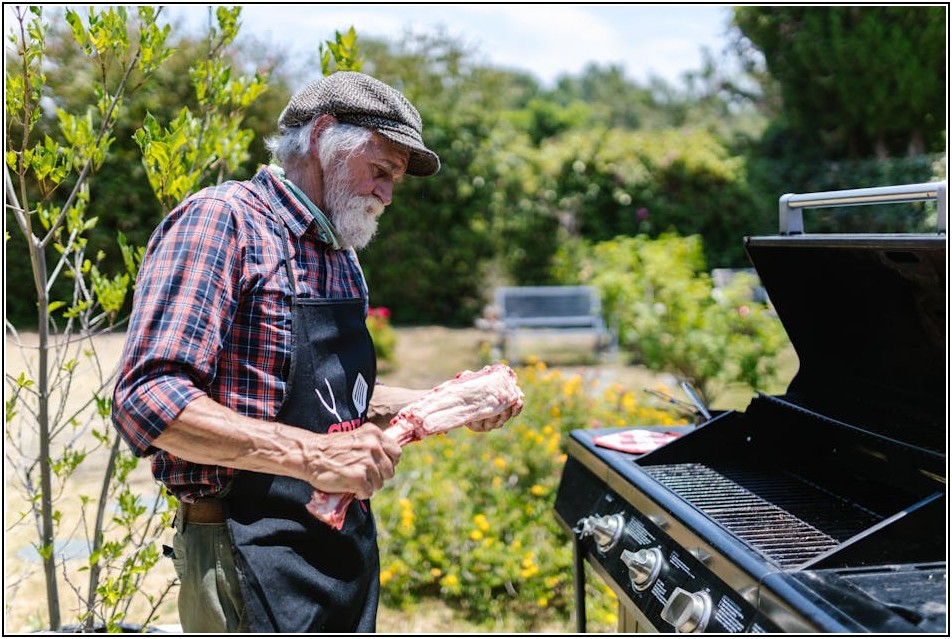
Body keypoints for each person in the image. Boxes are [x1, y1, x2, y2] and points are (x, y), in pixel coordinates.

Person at [111, 71, 521, 634]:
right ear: (323, 135)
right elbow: (148, 398)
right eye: (380, 171)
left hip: (338, 545)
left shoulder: (338, 254)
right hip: (240, 547)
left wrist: (444, 404)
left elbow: (329, 396)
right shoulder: (222, 222)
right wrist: (313, 458)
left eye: (395, 180)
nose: (387, 195)